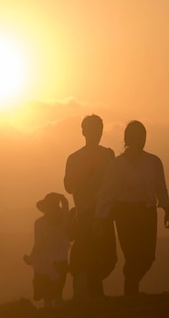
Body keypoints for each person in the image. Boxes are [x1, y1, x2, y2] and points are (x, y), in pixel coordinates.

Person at [95, 120, 169, 296]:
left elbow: (161, 186)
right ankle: (131, 291)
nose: (141, 140)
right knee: (131, 255)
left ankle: (131, 283)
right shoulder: (117, 164)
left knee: (147, 257)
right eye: (137, 136)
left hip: (147, 212)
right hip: (124, 213)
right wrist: (100, 217)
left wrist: (166, 209)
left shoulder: (153, 161)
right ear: (128, 138)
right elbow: (107, 192)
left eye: (143, 136)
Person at [64, 114, 117, 300]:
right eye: (92, 129)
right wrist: (86, 175)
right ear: (84, 132)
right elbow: (69, 186)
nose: (96, 133)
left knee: (109, 258)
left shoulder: (108, 155)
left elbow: (114, 182)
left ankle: (90, 292)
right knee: (89, 256)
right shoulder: (75, 158)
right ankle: (91, 296)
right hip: (85, 213)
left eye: (99, 129)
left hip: (103, 213)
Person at [23, 192, 71, 308]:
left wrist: (31, 257)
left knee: (47, 295)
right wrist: (62, 198)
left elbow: (38, 244)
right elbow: (66, 206)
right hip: (61, 260)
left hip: (45, 261)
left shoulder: (39, 223)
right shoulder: (64, 219)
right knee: (58, 291)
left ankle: (48, 310)